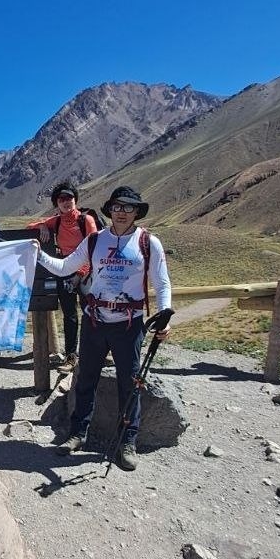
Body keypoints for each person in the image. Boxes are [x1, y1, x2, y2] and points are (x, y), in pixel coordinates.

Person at [36, 186, 172, 471]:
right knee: (86, 379)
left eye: (128, 207)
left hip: (129, 325)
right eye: (117, 206)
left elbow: (162, 283)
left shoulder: (148, 242)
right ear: (110, 210)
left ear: (137, 211)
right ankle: (77, 434)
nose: (122, 212)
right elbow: (64, 267)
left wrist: (164, 316)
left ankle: (127, 441)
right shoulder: (95, 240)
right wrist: (37, 254)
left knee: (129, 383)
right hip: (95, 321)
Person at [26, 181, 98, 372]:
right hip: (65, 270)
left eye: (69, 198)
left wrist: (80, 274)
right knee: (70, 315)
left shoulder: (86, 220)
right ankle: (71, 356)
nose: (66, 202)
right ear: (57, 203)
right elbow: (29, 226)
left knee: (92, 313)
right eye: (61, 199)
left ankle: (96, 352)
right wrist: (42, 225)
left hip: (87, 272)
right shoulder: (56, 221)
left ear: (75, 199)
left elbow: (94, 248)